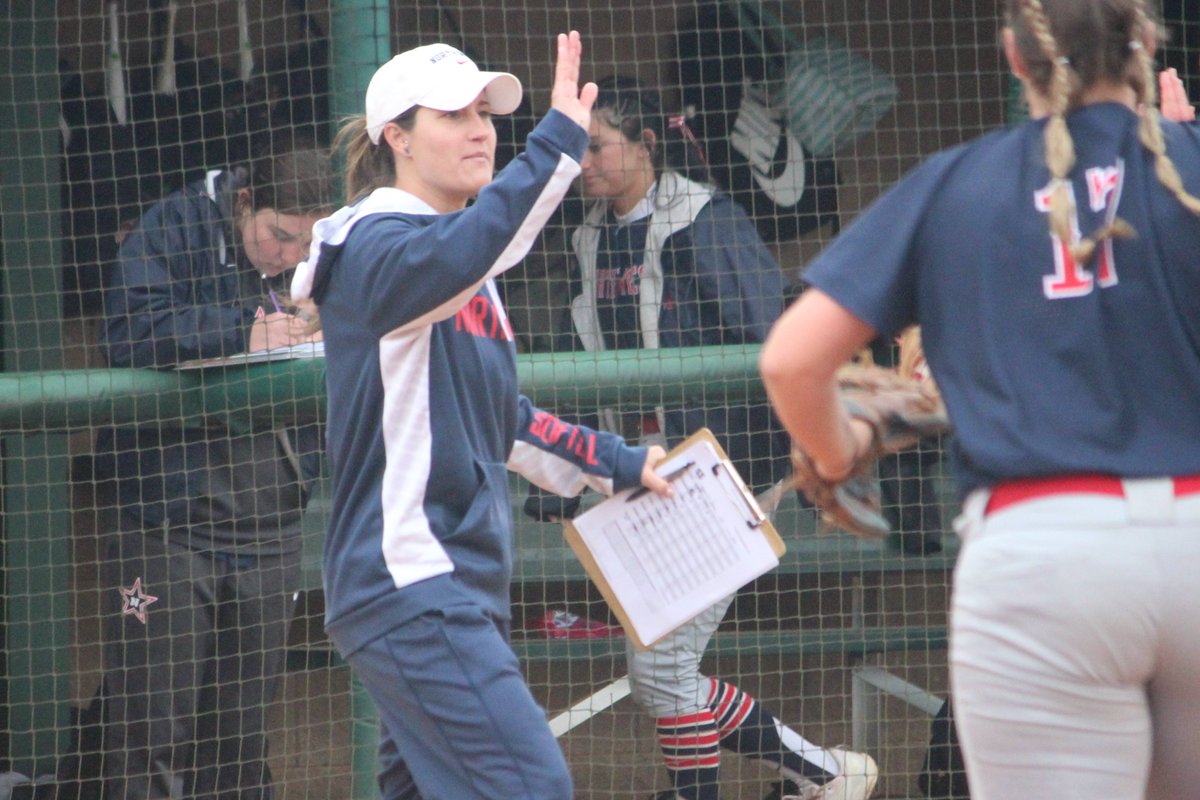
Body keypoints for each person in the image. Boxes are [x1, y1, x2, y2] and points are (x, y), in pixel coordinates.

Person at [759, 2, 1200, 798]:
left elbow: (792, 361)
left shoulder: (957, 182)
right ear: (1141, 46)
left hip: (1044, 558)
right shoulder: (1186, 164)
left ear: (1012, 55)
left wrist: (839, 453)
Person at [287, 33, 673, 800]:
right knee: (533, 787)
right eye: (452, 114)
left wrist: (620, 463)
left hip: (453, 588)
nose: (480, 129)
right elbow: (485, 238)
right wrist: (557, 139)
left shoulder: (460, 265)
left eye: (485, 113)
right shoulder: (378, 247)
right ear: (395, 137)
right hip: (413, 585)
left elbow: (502, 419)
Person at [552, 75, 877, 800]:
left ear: (646, 143)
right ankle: (823, 774)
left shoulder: (705, 219)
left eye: (597, 146)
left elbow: (775, 335)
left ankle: (815, 775)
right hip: (639, 476)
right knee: (666, 673)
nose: (584, 164)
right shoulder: (587, 234)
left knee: (664, 673)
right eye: (576, 151)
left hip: (720, 472)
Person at [96, 133, 331, 799]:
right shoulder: (176, 223)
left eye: (305, 247)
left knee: (241, 736)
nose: (289, 257)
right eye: (279, 237)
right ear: (245, 202)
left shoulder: (323, 250)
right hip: (168, 519)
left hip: (270, 520)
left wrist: (321, 311)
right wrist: (240, 329)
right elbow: (124, 332)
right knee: (152, 728)